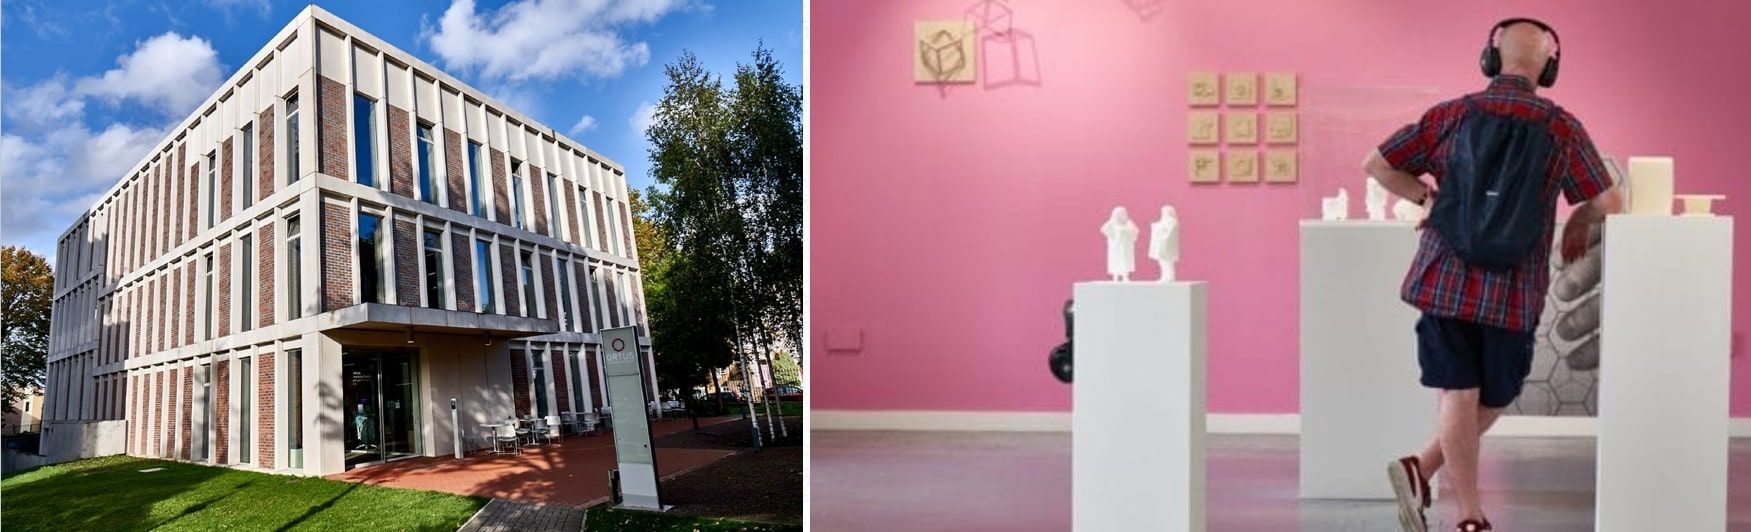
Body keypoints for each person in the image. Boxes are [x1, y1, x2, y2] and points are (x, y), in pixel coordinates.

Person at [1362, 18, 1623, 532]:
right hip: (1513, 288)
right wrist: (1579, 224)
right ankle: (1463, 508)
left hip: (1443, 277)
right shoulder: (1561, 127)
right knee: (1498, 395)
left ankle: (1438, 485)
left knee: (1457, 393)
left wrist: (1426, 197)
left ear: (1491, 59)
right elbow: (1609, 199)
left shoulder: (1450, 116)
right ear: (1549, 67)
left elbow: (1376, 163)